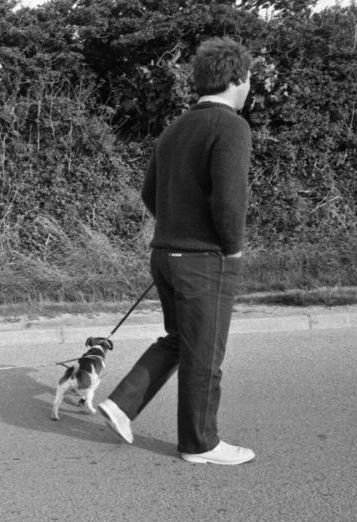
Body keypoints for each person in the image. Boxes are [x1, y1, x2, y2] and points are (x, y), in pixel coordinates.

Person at [97, 37, 256, 465]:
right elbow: (229, 200)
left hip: (165, 253)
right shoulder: (231, 127)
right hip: (204, 259)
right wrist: (233, 248)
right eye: (249, 80)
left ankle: (121, 404)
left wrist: (177, 227)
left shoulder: (175, 127)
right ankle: (200, 444)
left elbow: (150, 193)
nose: (249, 88)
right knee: (205, 353)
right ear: (237, 77)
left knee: (181, 340)